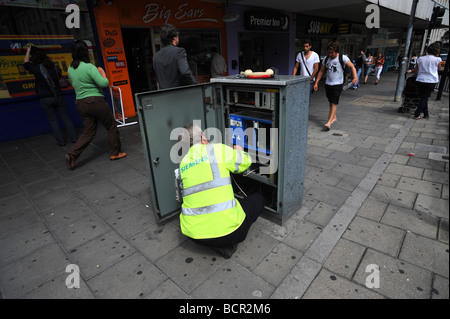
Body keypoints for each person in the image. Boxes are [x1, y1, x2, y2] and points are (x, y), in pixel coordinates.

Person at [177, 124, 265, 259]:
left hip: (192, 234)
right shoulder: (217, 150)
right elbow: (245, 163)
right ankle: (227, 244)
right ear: (202, 138)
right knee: (258, 199)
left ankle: (216, 243)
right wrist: (240, 150)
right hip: (228, 232)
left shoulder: (183, 163)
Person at [65, 40, 126, 170]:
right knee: (110, 126)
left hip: (80, 103)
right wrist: (102, 72)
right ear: (84, 52)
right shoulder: (89, 67)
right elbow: (104, 83)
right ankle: (115, 153)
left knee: (88, 132)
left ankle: (72, 154)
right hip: (95, 101)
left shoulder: (70, 69)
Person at [23, 46, 78, 146]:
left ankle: (61, 141)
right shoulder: (54, 68)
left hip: (44, 98)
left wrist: (28, 51)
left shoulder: (35, 69)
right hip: (58, 96)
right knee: (65, 118)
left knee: (53, 120)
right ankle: (74, 138)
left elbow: (26, 63)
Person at [314, 41, 358, 131]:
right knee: (331, 102)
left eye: (332, 53)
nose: (330, 54)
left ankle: (329, 122)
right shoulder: (326, 59)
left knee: (334, 103)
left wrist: (355, 77)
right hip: (328, 84)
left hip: (337, 84)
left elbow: (352, 67)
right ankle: (334, 117)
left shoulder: (343, 58)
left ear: (336, 51)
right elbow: (321, 71)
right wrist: (316, 82)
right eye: (329, 52)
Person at [153, 24, 197, 89]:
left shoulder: (156, 57)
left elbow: (158, 77)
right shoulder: (179, 52)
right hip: (179, 94)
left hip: (164, 95)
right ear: (175, 38)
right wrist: (195, 85)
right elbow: (185, 72)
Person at [407, 43, 442, 120]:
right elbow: (439, 68)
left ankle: (426, 114)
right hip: (432, 80)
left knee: (423, 97)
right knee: (424, 98)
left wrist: (410, 71)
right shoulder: (438, 59)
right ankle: (417, 114)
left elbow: (415, 70)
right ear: (436, 52)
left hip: (420, 80)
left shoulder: (420, 59)